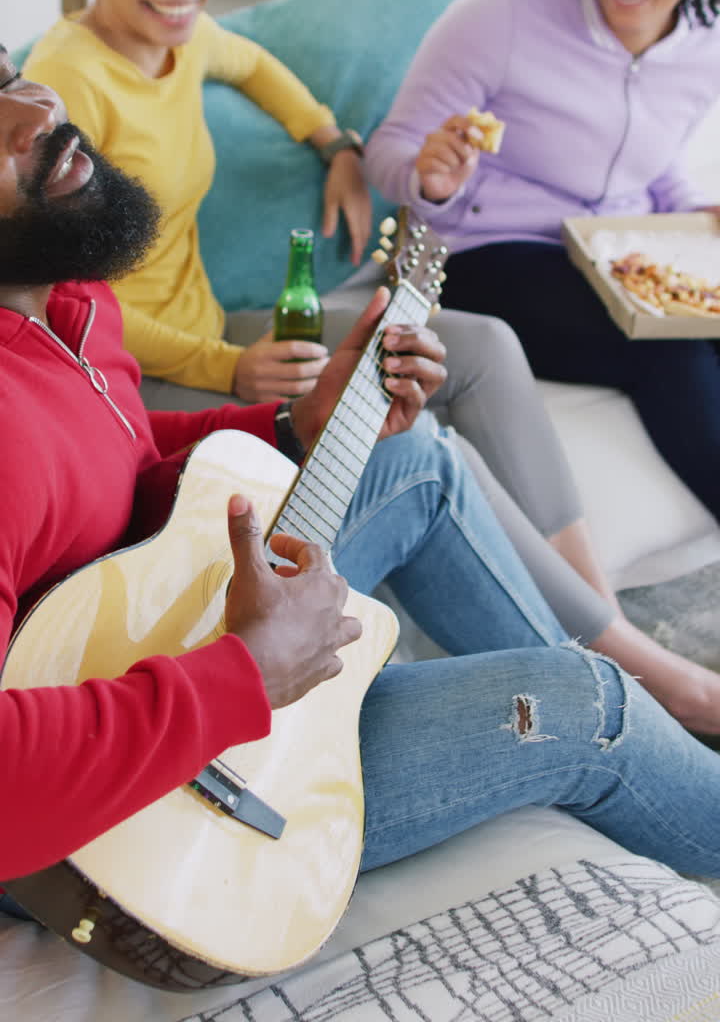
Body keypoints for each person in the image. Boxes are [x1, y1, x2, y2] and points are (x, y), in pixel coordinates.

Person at [2, 53, 720, 905]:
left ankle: (643, 708)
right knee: (583, 703)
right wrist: (246, 673)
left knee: (410, 460)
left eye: (3, 77)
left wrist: (291, 424)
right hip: (125, 824)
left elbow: (109, 456)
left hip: (152, 640)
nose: (33, 112)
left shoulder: (63, 296)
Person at [22, 0, 630, 646]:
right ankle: (609, 646)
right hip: (140, 374)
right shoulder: (66, 83)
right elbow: (72, 307)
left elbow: (255, 65)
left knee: (483, 347)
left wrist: (335, 143)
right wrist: (229, 367)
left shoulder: (180, 36)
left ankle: (596, 601)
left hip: (218, 330)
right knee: (414, 443)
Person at [364, 0, 720, 527]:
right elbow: (391, 151)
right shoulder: (499, 18)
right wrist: (431, 177)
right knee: (669, 349)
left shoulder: (705, 47)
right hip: (480, 254)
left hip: (613, 255)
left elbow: (653, 158)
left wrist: (697, 212)